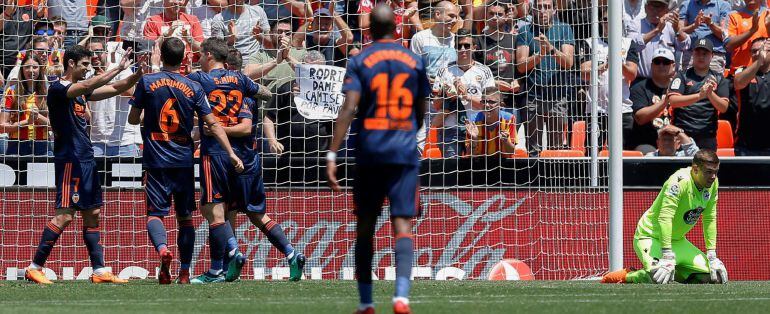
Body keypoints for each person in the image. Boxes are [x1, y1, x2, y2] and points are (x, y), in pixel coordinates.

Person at [327, 4, 430, 314]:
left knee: (365, 226)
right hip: (403, 149)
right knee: (402, 225)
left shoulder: (360, 60)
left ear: (369, 29)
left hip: (370, 149)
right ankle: (401, 298)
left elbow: (348, 108)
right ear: (396, 27)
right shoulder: (414, 60)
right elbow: (422, 109)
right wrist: (407, 131)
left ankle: (366, 302)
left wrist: (332, 153)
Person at [23, 44, 144, 284]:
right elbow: (89, 85)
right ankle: (34, 267)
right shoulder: (59, 89)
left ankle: (99, 271)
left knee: (93, 214)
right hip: (70, 159)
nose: (88, 68)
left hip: (87, 159)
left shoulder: (80, 92)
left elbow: (116, 88)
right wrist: (117, 67)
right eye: (84, 64)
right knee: (65, 215)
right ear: (71, 63)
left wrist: (135, 75)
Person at [127, 37, 244, 285]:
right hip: (183, 160)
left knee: (155, 215)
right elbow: (212, 123)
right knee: (185, 218)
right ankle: (184, 272)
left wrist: (149, 113)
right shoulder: (194, 86)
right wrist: (231, 152)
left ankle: (162, 250)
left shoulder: (147, 82)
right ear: (184, 59)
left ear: (161, 56)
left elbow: (133, 120)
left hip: (156, 159)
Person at [602, 150, 727, 284]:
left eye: (716, 172)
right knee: (658, 277)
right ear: (695, 169)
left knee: (715, 277)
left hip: (678, 242)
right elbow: (665, 217)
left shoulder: (713, 183)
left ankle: (673, 271)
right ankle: (628, 275)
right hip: (650, 237)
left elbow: (709, 218)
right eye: (709, 172)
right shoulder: (678, 182)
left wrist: (712, 255)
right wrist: (667, 254)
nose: (713, 176)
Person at [515, 0, 575, 156]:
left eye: (547, 7)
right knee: (533, 150)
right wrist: (540, 55)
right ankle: (534, 173)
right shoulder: (525, 31)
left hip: (558, 97)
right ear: (533, 10)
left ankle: (554, 173)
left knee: (556, 150)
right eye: (539, 7)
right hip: (533, 96)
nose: (543, 11)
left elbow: (569, 62)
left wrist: (550, 49)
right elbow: (521, 65)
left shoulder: (564, 29)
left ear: (554, 10)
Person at [432, 29, 495, 157]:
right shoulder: (444, 70)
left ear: (474, 47)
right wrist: (447, 96)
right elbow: (436, 105)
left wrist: (466, 95)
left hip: (477, 127)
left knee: (476, 167)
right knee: (451, 168)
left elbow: (491, 105)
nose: (462, 49)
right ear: (454, 47)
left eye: (466, 46)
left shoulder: (484, 71)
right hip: (450, 129)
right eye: (459, 46)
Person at [667, 39, 728, 150]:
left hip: (707, 134)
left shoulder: (719, 79)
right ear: (692, 55)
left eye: (705, 54)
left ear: (712, 56)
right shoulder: (682, 76)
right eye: (698, 53)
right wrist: (699, 96)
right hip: (682, 133)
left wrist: (710, 94)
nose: (701, 57)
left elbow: (723, 107)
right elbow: (673, 101)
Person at [87, 37, 142, 157]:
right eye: (90, 53)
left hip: (125, 141)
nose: (94, 56)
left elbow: (130, 92)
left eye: (98, 51)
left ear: (106, 52)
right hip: (97, 141)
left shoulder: (121, 68)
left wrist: (104, 79)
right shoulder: (87, 74)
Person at [0, 53, 50, 156]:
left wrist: (38, 117)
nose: (31, 70)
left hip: (42, 145)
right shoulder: (11, 91)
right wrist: (27, 122)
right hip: (17, 145)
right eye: (27, 67)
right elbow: (2, 127)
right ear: (22, 69)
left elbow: (56, 126)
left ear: (40, 69)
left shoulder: (48, 93)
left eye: (35, 67)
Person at [629, 0, 689, 80]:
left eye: (660, 7)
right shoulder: (635, 24)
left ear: (666, 10)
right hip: (642, 80)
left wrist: (677, 30)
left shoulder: (671, 27)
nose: (655, 11)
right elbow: (631, 47)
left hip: (666, 81)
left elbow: (685, 46)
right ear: (645, 8)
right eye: (652, 6)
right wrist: (657, 30)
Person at [631, 48, 677, 150]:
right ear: (652, 66)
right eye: (657, 62)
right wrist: (665, 101)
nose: (661, 65)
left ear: (673, 66)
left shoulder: (679, 87)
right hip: (647, 142)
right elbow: (640, 118)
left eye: (666, 62)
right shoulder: (639, 87)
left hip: (675, 141)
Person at [143, 0, 205, 74]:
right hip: (162, 73)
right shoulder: (153, 21)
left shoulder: (193, 20)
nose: (176, 2)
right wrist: (166, 34)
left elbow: (203, 53)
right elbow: (149, 52)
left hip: (189, 74)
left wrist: (188, 39)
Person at [733, 37, 770, 156]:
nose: (757, 54)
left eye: (761, 50)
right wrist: (759, 62)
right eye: (754, 51)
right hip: (746, 145)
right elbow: (738, 83)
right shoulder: (742, 70)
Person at [678, 0, 731, 74]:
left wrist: (710, 24)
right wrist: (694, 25)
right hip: (691, 54)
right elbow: (679, 32)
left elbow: (724, 36)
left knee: (713, 81)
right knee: (687, 81)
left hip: (714, 56)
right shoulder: (686, 5)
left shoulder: (723, 5)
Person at [465, 86, 518, 156]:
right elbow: (469, 154)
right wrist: (474, 140)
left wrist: (506, 141)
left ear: (501, 105)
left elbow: (511, 152)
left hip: (502, 161)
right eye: (484, 101)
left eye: (491, 102)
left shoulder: (509, 119)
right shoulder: (473, 120)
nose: (486, 105)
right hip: (480, 161)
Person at [725, 0, 770, 75]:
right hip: (740, 72)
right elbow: (729, 46)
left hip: (764, 72)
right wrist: (752, 30)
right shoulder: (733, 16)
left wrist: (768, 28)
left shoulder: (768, 15)